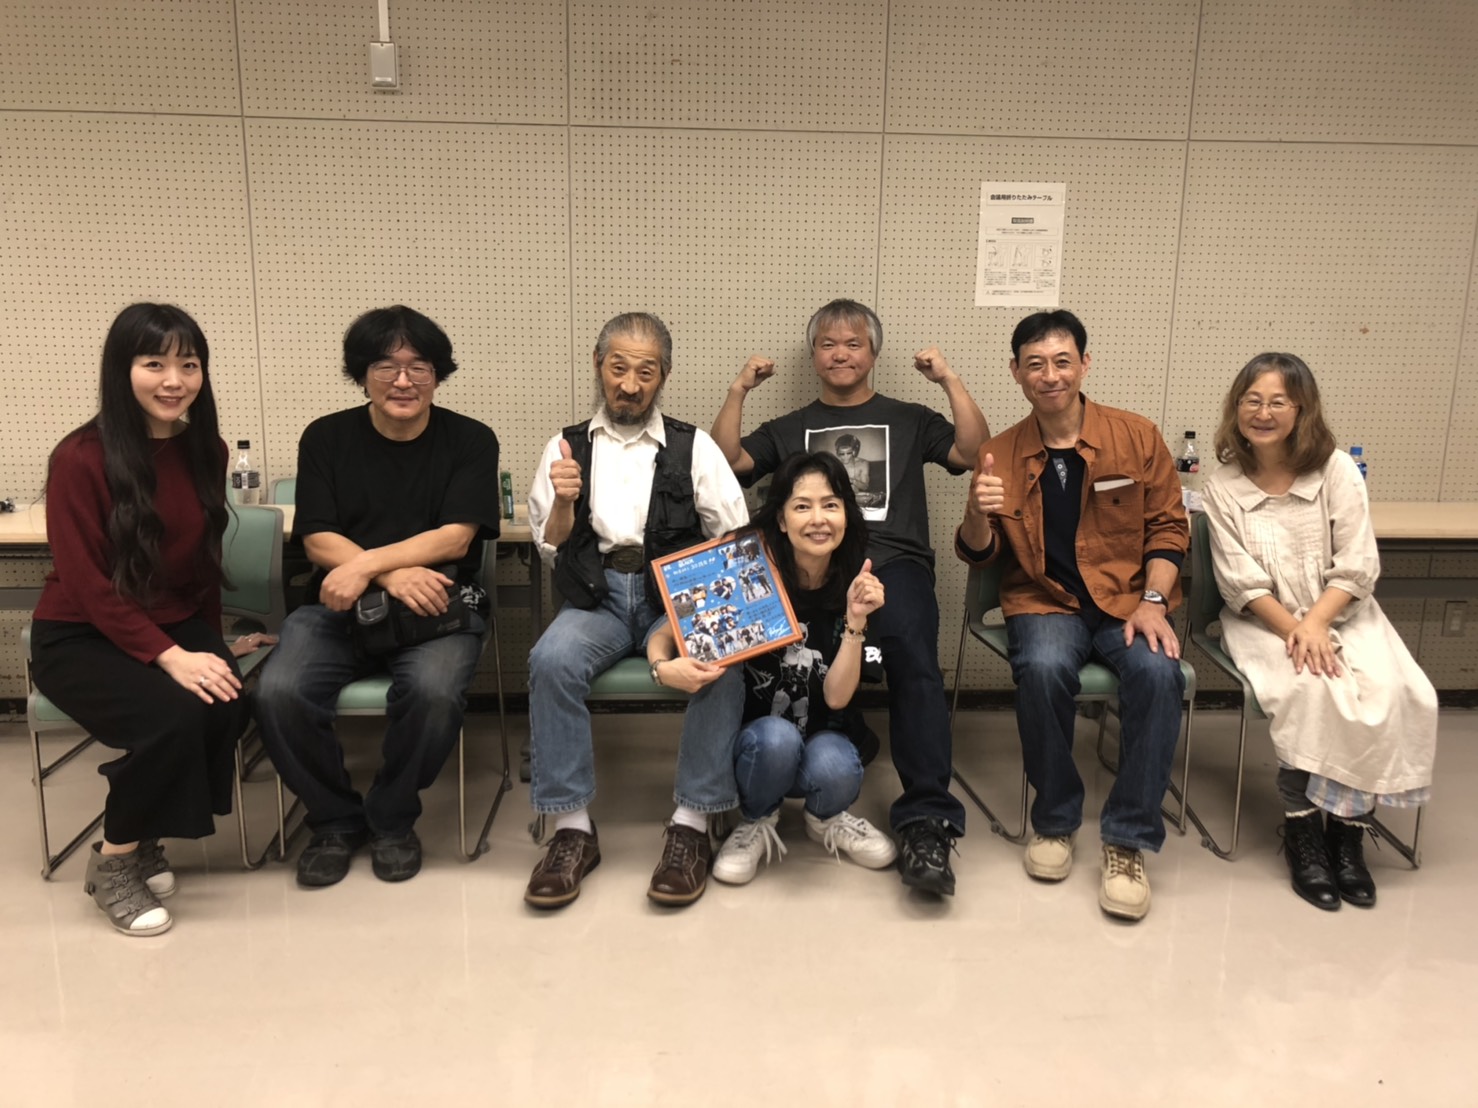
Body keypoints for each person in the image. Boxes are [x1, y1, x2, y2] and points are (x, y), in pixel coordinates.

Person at [712, 299, 987, 896]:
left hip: (895, 564)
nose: (841, 353)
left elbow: (972, 452)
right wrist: (738, 390)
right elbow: (728, 461)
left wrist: (949, 380)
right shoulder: (791, 425)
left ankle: (927, 819)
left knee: (913, 656)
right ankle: (758, 781)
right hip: (812, 564)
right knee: (765, 651)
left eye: (854, 343)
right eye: (828, 344)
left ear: (873, 353)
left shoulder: (909, 417)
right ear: (814, 355)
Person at [30, 303, 273, 936]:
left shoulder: (206, 449)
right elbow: (85, 583)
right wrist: (171, 656)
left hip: (171, 618)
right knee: (172, 716)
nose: (174, 380)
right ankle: (113, 861)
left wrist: (214, 646)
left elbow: (202, 561)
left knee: (225, 700)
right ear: (123, 369)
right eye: (154, 364)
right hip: (79, 633)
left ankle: (144, 841)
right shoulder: (80, 457)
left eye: (188, 365)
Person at [255, 306, 500, 888]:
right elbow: (317, 537)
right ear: (362, 374)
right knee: (278, 692)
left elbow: (456, 537)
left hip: (435, 606)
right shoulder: (326, 437)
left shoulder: (470, 439)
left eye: (419, 367)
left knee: (435, 693)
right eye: (386, 366)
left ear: (438, 375)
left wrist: (367, 564)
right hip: (339, 608)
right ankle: (334, 820)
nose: (403, 380)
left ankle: (391, 818)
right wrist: (389, 576)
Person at [955, 309, 1187, 922]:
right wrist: (976, 512)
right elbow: (980, 553)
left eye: (1062, 361)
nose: (1050, 375)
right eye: (1035, 364)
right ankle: (1055, 820)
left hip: (1128, 600)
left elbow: (1169, 528)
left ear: (1085, 364)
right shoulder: (998, 453)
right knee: (1043, 668)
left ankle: (1128, 839)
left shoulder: (1137, 436)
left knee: (1158, 673)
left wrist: (1154, 601)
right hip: (1044, 599)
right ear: (1016, 372)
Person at [524, 312, 749, 909]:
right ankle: (572, 829)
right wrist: (564, 501)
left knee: (722, 660)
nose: (629, 385)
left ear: (663, 376)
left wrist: (695, 616)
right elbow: (549, 545)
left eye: (645, 372)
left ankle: (692, 824)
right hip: (595, 596)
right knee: (550, 661)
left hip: (670, 601)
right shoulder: (566, 446)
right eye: (618, 368)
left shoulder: (693, 446)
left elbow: (732, 538)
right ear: (599, 366)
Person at [1202, 353, 1436, 911]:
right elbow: (1240, 582)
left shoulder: (1337, 470)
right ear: (1236, 408)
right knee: (1309, 689)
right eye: (1252, 400)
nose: (1262, 413)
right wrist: (1297, 629)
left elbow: (1357, 563)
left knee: (1395, 690)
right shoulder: (1222, 485)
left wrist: (1317, 623)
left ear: (1301, 410)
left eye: (1277, 402)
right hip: (1265, 621)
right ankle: (1303, 828)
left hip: (1342, 611)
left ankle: (1347, 831)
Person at [668, 451, 896, 886]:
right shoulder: (747, 572)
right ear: (781, 519)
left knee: (838, 765)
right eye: (802, 506)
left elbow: (836, 699)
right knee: (777, 738)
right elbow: (670, 624)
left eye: (831, 505)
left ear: (846, 515)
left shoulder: (860, 583)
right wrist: (663, 667)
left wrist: (855, 621)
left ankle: (825, 819)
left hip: (826, 735)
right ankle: (757, 818)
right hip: (758, 745)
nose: (819, 519)